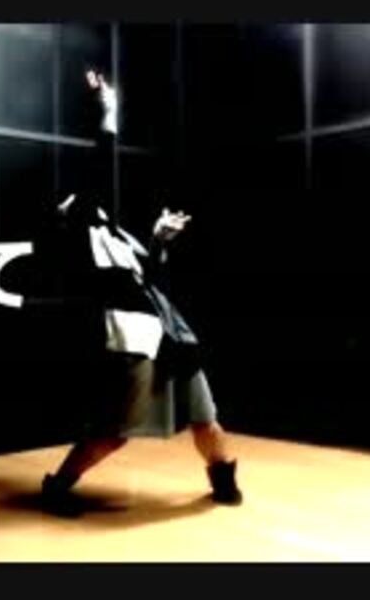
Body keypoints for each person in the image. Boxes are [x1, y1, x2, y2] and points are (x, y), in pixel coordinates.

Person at [39, 68, 243, 517]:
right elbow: (99, 166)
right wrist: (108, 109)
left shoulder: (118, 236)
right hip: (133, 336)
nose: (75, 199)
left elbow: (149, 277)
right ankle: (57, 486)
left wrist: (158, 238)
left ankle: (223, 478)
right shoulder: (78, 235)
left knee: (205, 418)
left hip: (171, 331)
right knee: (115, 431)